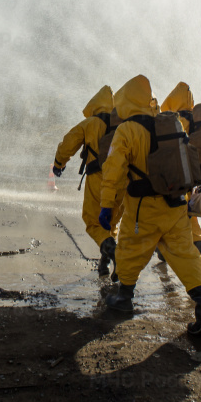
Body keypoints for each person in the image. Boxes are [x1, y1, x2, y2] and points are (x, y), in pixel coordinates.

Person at [99, 75, 201, 336]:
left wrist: (107, 205)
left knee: (131, 248)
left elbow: (113, 171)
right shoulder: (169, 123)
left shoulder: (127, 130)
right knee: (186, 256)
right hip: (176, 206)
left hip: (144, 208)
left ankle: (124, 298)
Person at [53, 86, 124, 276]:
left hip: (99, 178)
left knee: (92, 221)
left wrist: (58, 163)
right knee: (111, 222)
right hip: (122, 180)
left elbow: (69, 143)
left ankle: (113, 252)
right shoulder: (124, 124)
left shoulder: (91, 123)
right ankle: (105, 262)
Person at [160, 82, 201, 272]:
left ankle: (167, 253)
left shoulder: (175, 121)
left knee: (169, 216)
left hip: (179, 177)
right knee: (192, 218)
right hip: (197, 177)